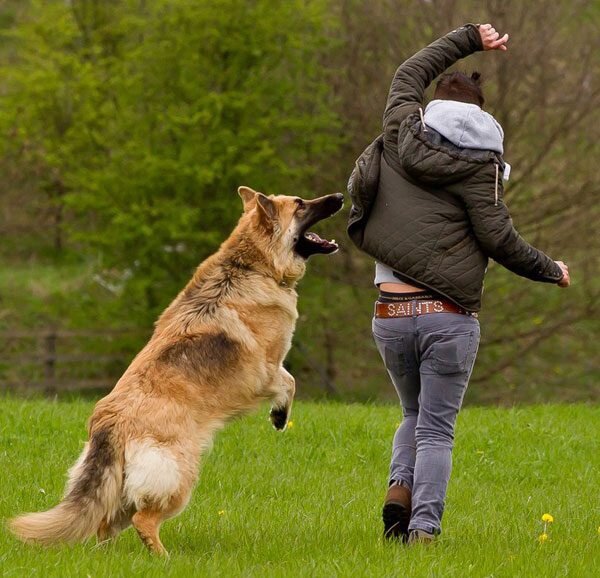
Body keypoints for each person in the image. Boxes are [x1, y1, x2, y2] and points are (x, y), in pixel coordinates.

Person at [368, 23, 571, 544]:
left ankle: (398, 489)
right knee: (436, 427)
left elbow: (409, 71)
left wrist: (469, 38)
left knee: (411, 413)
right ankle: (425, 530)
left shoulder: (399, 129)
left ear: (433, 105)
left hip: (390, 314)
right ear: (483, 117)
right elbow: (500, 240)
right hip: (447, 318)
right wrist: (551, 269)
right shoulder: (483, 167)